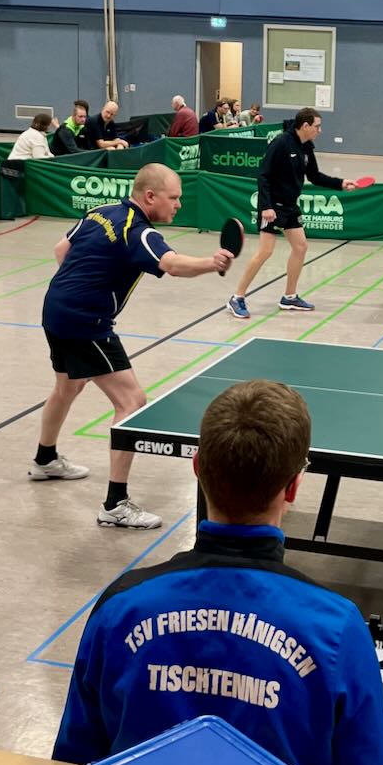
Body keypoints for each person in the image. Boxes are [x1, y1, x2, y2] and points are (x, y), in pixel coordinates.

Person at [52, 379, 383, 765]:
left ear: (198, 467)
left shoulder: (120, 609)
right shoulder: (337, 629)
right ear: (293, 486)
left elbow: (73, 760)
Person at [33, 164, 233, 529]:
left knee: (68, 386)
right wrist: (211, 262)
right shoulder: (139, 231)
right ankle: (115, 504)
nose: (178, 205)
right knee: (131, 402)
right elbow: (172, 265)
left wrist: (81, 286)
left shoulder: (102, 212)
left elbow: (61, 250)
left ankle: (45, 459)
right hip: (86, 324)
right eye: (174, 198)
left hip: (54, 309)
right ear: (150, 196)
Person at [227, 108, 364, 319]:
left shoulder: (306, 146)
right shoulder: (281, 143)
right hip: (273, 206)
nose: (320, 130)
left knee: (300, 247)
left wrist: (341, 183)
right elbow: (263, 175)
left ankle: (289, 297)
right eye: (317, 126)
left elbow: (314, 176)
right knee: (265, 251)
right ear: (305, 125)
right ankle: (237, 297)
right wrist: (266, 206)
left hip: (290, 205)